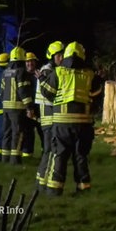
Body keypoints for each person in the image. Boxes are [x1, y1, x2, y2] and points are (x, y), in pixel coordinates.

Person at [40, 42, 102, 196]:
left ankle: (54, 190)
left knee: (59, 156)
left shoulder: (59, 72)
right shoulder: (90, 75)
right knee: (81, 157)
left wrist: (44, 82)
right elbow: (96, 95)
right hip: (83, 124)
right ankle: (84, 188)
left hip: (62, 125)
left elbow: (46, 91)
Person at [34, 41, 64, 191]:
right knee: (50, 150)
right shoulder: (48, 72)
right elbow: (51, 94)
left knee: (49, 150)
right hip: (49, 117)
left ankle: (41, 181)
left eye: (62, 55)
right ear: (52, 57)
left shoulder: (47, 70)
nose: (62, 58)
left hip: (48, 117)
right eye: (59, 55)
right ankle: (42, 182)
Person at [0, 46, 36, 165]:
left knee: (7, 132)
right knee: (18, 133)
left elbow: (1, 91)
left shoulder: (5, 72)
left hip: (6, 107)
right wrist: (29, 106)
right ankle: (15, 160)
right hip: (17, 108)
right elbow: (23, 91)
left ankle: (5, 158)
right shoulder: (21, 72)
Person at [22, 52, 41, 158]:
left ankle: (45, 152)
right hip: (27, 110)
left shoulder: (39, 74)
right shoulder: (22, 76)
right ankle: (27, 155)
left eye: (32, 61)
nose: (30, 63)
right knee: (28, 133)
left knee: (42, 132)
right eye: (28, 61)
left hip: (39, 108)